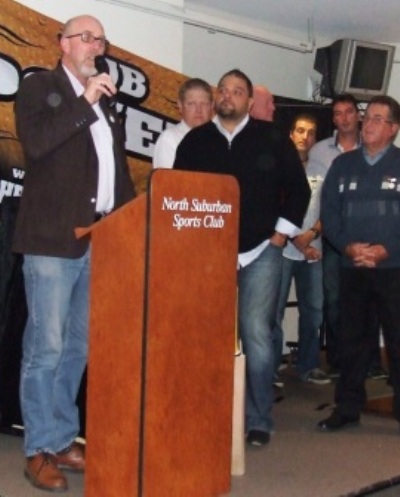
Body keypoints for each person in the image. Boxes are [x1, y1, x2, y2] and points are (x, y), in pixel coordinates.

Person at [13, 14, 135, 492]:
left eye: (101, 39)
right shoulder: (40, 87)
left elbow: (117, 173)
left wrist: (130, 226)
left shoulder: (106, 102)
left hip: (99, 240)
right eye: (86, 37)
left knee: (78, 348)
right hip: (51, 241)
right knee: (46, 348)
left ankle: (63, 438)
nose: (95, 46)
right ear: (62, 43)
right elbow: (38, 145)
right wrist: (85, 101)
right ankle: (39, 449)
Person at [174, 69, 310, 447]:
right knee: (208, 335)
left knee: (257, 335)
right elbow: (178, 195)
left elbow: (298, 191)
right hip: (208, 255)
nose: (229, 96)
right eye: (224, 90)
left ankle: (258, 419)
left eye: (238, 91)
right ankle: (211, 413)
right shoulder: (195, 142)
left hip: (261, 252)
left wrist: (280, 236)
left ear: (250, 101)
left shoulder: (272, 139)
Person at [318, 95, 400, 441]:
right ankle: (348, 408)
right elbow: (331, 215)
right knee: (351, 341)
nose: (369, 123)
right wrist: (347, 247)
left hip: (394, 268)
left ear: (393, 129)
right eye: (368, 117)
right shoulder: (342, 166)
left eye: (379, 119)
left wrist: (384, 249)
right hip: (352, 267)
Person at [310, 94, 385, 380]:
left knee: (370, 299)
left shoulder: (374, 148)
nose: (343, 118)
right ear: (333, 118)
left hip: (369, 235)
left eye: (349, 112)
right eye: (337, 113)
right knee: (334, 299)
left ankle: (371, 361)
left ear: (359, 115)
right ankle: (341, 360)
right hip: (333, 236)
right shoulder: (319, 152)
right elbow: (315, 195)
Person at [273, 113, 330, 385]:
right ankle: (270, 369)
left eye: (310, 132)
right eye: (299, 130)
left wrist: (311, 236)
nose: (304, 136)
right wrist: (298, 240)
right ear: (291, 134)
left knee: (314, 310)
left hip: (313, 251)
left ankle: (308, 366)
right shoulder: (278, 167)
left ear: (314, 139)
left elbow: (330, 211)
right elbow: (274, 208)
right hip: (282, 250)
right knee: (275, 311)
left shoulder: (322, 171)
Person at [153, 77, 213, 168]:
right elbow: (166, 181)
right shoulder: (170, 139)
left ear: (212, 106)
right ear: (180, 106)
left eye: (204, 104)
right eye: (191, 104)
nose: (199, 110)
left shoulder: (220, 142)